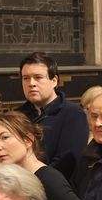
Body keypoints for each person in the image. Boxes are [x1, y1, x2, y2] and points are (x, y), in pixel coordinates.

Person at [18, 52, 89, 180]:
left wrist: (31, 182)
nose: (31, 83)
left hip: (53, 186)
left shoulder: (73, 114)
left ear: (54, 81)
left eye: (38, 77)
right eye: (26, 78)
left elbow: (67, 162)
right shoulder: (17, 116)